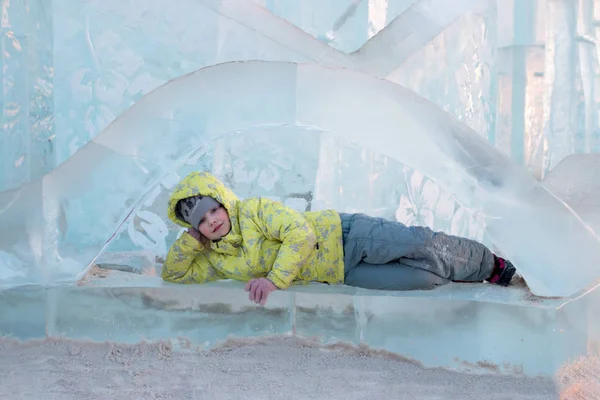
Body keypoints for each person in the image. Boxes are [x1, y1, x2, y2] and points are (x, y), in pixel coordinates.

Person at [162, 171, 516, 306]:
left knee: (421, 245)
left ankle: (493, 265)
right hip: (340, 271)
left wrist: (273, 280)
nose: (212, 221)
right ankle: (460, 270)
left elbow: (299, 234)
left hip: (345, 235)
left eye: (213, 210)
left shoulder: (253, 210)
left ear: (222, 202)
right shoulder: (215, 257)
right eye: (201, 221)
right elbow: (174, 275)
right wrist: (190, 242)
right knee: (423, 278)